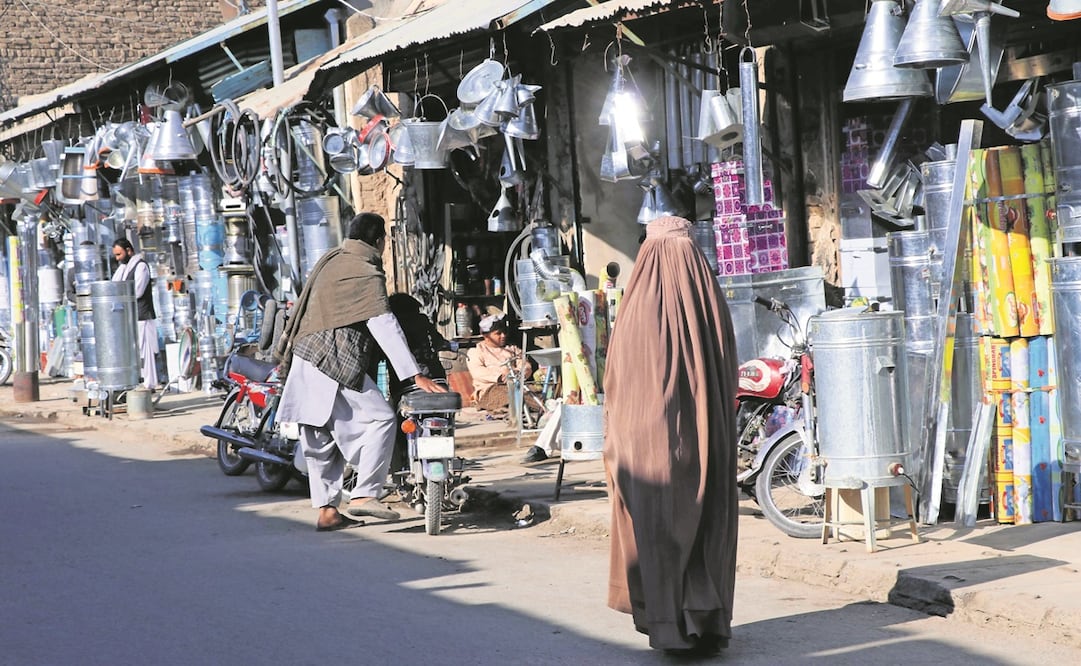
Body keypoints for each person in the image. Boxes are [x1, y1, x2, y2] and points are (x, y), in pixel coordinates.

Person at [602, 216, 739, 655]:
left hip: (643, 447)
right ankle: (705, 620)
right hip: (701, 438)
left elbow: (615, 385)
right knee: (704, 520)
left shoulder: (635, 303)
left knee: (659, 527)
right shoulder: (705, 292)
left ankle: (669, 626)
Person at [275, 212, 446, 533]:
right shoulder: (365, 272)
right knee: (381, 419)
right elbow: (384, 324)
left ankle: (328, 512)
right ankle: (365, 493)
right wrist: (413, 375)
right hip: (333, 360)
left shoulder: (331, 260)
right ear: (380, 241)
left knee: (321, 439)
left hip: (304, 358)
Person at [110, 238, 158, 390]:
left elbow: (137, 291)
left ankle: (149, 384)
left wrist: (121, 298)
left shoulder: (141, 266)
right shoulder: (124, 268)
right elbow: (114, 285)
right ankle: (138, 381)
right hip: (131, 317)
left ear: (129, 251)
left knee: (146, 353)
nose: (118, 258)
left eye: (119, 254)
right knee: (136, 353)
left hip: (143, 316)